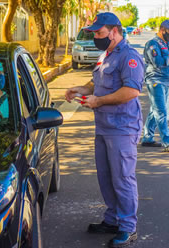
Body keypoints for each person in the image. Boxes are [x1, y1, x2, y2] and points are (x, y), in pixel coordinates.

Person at [65, 12, 144, 248]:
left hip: (122, 128)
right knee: (106, 178)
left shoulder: (129, 57)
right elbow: (96, 83)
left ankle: (128, 228)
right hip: (104, 126)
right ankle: (112, 220)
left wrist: (98, 102)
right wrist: (81, 88)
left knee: (123, 179)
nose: (95, 38)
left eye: (99, 33)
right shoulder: (105, 55)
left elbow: (131, 91)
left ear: (114, 31)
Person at [141, 20, 169, 152]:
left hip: (166, 81)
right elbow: (158, 63)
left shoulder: (168, 43)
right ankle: (168, 142)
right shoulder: (152, 44)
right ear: (163, 30)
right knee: (161, 112)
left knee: (155, 111)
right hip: (155, 81)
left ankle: (147, 138)